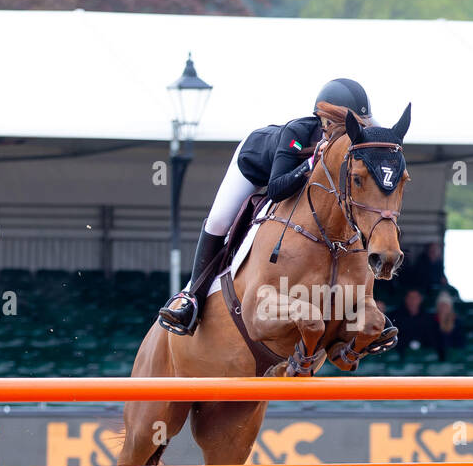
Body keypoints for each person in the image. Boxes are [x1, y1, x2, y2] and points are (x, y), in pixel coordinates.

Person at [157, 78, 375, 337]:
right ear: (326, 120)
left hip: (295, 181)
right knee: (218, 221)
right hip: (254, 167)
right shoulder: (297, 134)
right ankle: (192, 297)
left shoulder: (353, 141)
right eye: (347, 125)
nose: (353, 131)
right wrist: (310, 164)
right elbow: (276, 188)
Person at [393, 288, 439, 360]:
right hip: (401, 355)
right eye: (410, 297)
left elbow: (432, 339)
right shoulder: (395, 316)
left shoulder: (429, 318)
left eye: (415, 298)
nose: (413, 300)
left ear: (420, 299)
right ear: (406, 299)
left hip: (425, 355)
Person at [433, 291, 465, 361]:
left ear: (450, 307)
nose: (443, 308)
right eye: (441, 305)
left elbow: (460, 343)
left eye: (446, 305)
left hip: (454, 357)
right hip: (437, 357)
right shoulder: (432, 322)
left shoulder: (457, 322)